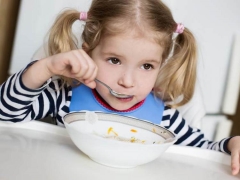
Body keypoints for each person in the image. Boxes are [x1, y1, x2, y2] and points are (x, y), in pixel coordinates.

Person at [0, 0, 239, 175]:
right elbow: (6, 114)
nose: (127, 81)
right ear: (87, 52)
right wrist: (44, 68)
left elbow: (205, 151)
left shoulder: (163, 119)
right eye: (114, 60)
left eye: (146, 66)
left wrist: (231, 144)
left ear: (161, 66)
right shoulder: (64, 98)